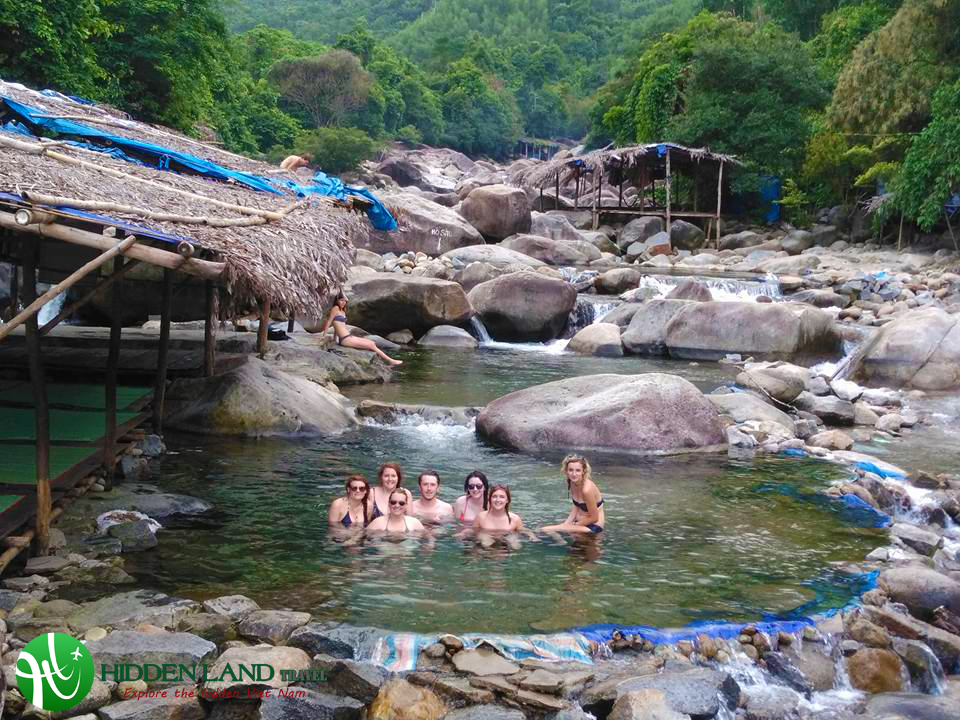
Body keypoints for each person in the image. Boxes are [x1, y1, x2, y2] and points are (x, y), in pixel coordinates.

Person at [320, 294, 403, 366]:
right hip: (345, 339)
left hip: (349, 337)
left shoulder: (343, 311)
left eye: (345, 301)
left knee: (372, 343)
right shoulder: (335, 308)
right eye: (341, 300)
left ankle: (382, 361)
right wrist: (324, 336)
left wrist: (335, 339)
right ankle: (391, 361)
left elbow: (338, 325)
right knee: (371, 345)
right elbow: (329, 322)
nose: (343, 302)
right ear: (337, 301)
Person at [541, 454, 605, 534]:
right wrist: (566, 524)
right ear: (566, 471)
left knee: (545, 529)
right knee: (546, 527)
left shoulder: (587, 490)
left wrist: (573, 525)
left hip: (593, 527)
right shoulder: (572, 482)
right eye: (571, 470)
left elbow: (594, 518)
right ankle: (561, 541)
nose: (574, 474)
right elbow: (576, 506)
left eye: (578, 470)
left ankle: (561, 540)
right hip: (579, 522)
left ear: (583, 471)